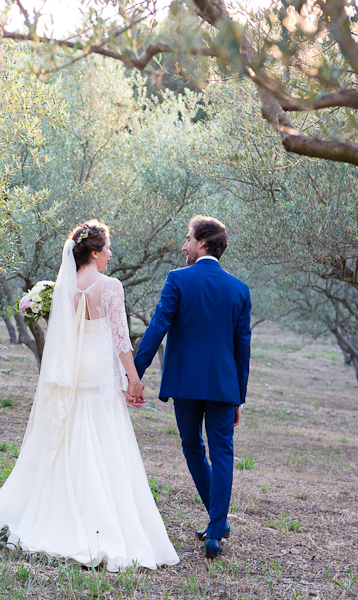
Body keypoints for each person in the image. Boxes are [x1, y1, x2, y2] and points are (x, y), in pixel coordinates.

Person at [0, 220, 179, 571]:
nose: (111, 254)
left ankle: (59, 512)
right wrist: (134, 379)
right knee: (103, 439)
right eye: (108, 248)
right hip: (99, 374)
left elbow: (61, 332)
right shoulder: (110, 286)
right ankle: (100, 522)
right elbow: (120, 339)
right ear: (94, 253)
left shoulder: (63, 288)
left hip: (70, 372)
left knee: (68, 438)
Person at [133, 215, 251, 559]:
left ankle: (217, 522)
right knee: (223, 454)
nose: (184, 245)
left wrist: (135, 374)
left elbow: (156, 329)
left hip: (185, 383)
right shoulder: (239, 289)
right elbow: (242, 349)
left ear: (202, 243)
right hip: (224, 387)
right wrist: (238, 397)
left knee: (192, 448)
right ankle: (217, 528)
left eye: (187, 239)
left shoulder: (178, 280)